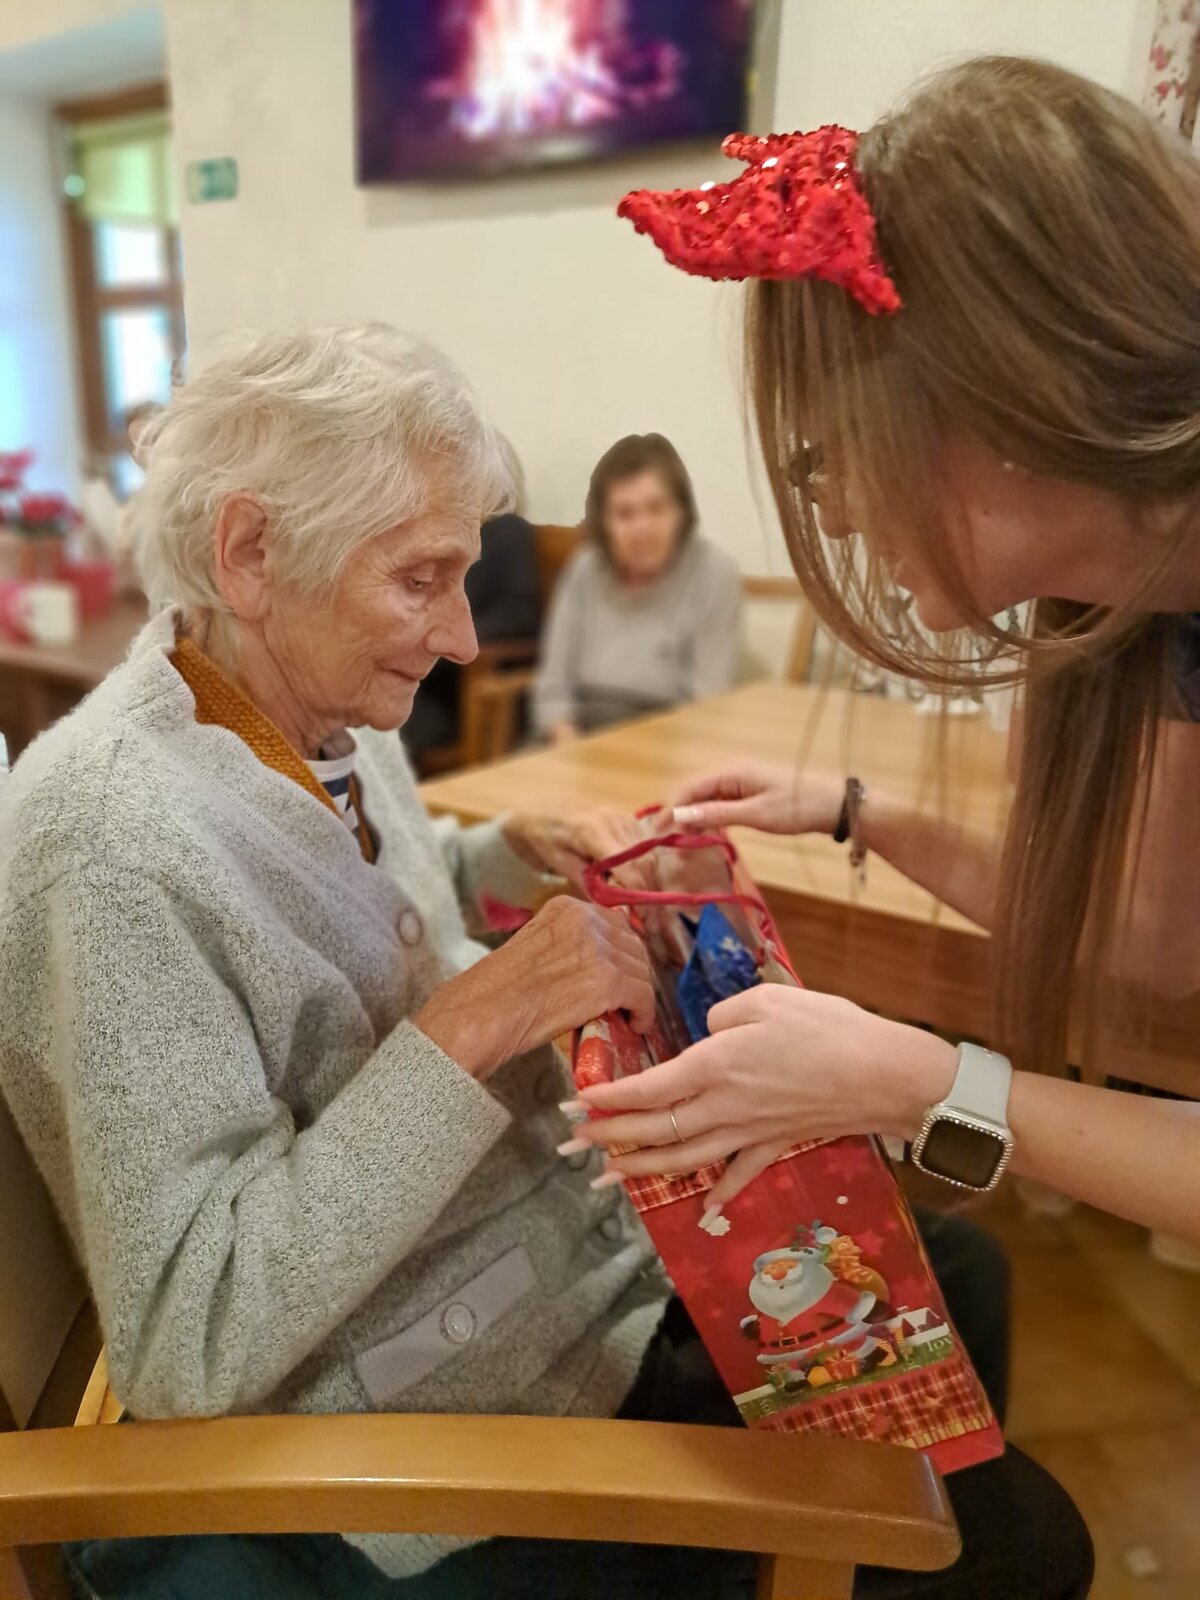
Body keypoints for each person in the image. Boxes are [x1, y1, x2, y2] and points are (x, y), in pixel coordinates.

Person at [533, 432, 741, 743]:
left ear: (681, 512)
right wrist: (569, 745)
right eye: (625, 513)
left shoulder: (714, 571)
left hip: (666, 739)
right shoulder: (586, 566)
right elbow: (552, 687)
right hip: (573, 733)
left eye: (656, 508)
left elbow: (706, 700)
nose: (642, 528)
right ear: (604, 522)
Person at [403, 436, 539, 762]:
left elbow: (520, 615)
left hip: (457, 688)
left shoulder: (508, 532)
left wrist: (445, 634)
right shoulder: (434, 533)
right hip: (412, 673)